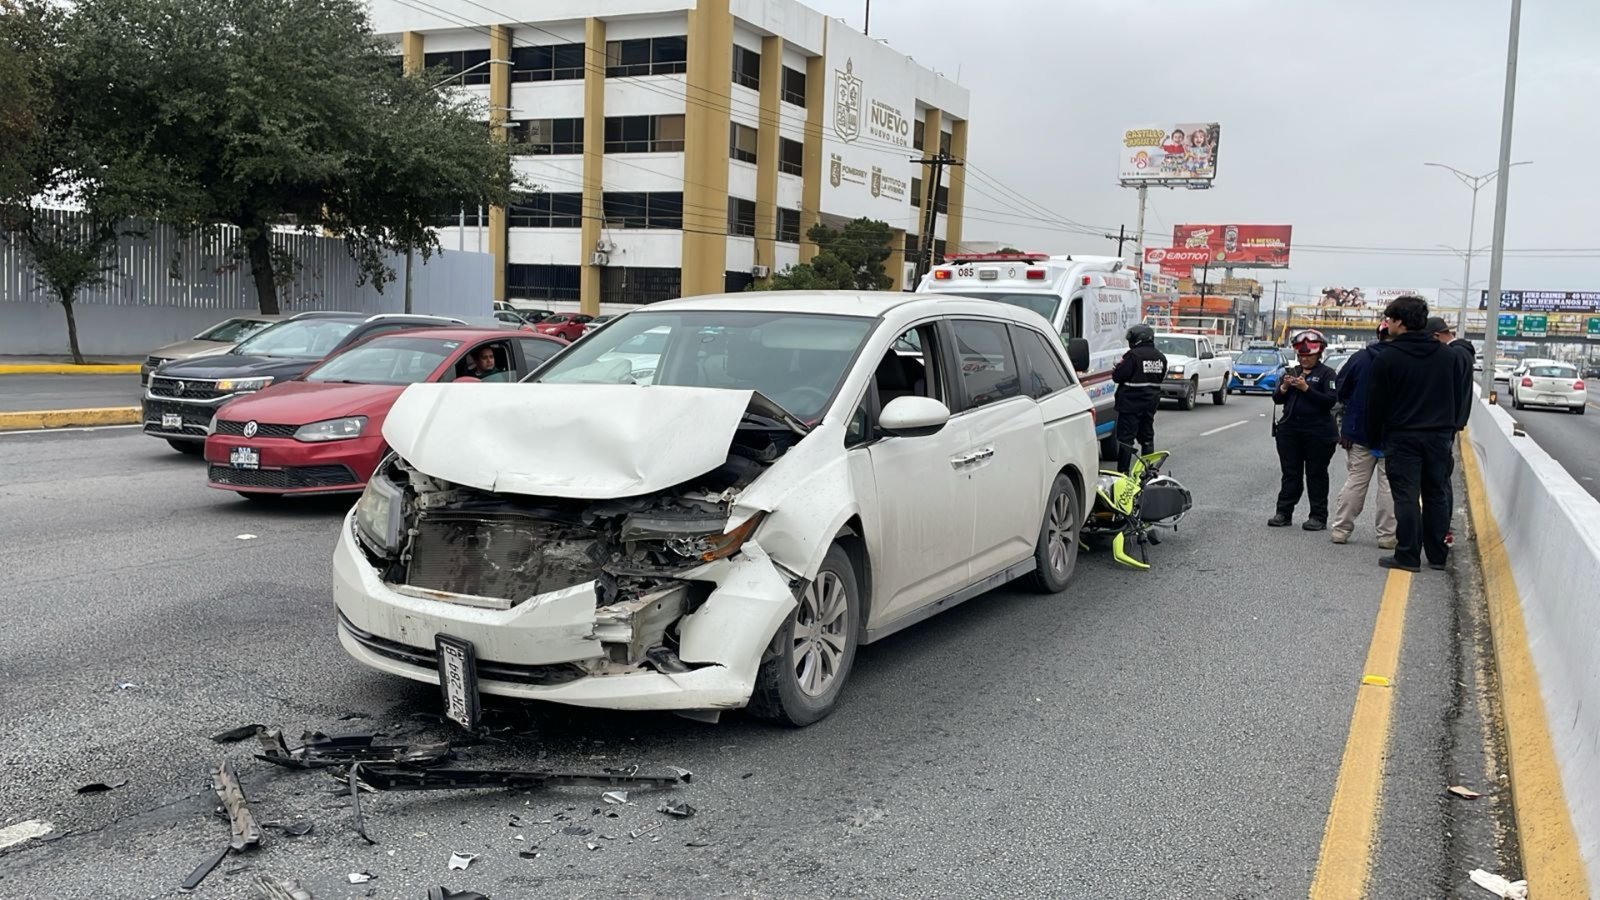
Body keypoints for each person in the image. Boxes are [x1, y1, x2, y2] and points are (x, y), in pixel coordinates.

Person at [1366, 296, 1472, 572]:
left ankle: (1408, 555)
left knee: (1406, 496)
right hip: (1439, 437)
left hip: (1402, 436)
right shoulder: (1449, 356)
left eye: (1389, 319)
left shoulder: (1387, 358)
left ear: (1400, 323)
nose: (1387, 323)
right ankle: (1437, 556)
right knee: (1436, 493)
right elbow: (1460, 396)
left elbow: (1375, 404)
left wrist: (1373, 437)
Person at [1329, 322, 1397, 548]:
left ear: (1378, 335)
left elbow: (1342, 389)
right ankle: (1387, 536)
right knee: (1389, 485)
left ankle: (1340, 530)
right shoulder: (1405, 360)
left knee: (1356, 481)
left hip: (1359, 432)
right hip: (1393, 434)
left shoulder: (1360, 358)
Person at [1268, 329, 1339, 530]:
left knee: (1316, 474)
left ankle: (1318, 516)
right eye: (1301, 356)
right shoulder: (1291, 372)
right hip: (1290, 429)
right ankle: (1283, 512)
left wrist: (1306, 389)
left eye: (1309, 356)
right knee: (1290, 473)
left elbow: (1330, 401)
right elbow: (1277, 399)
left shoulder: (1328, 374)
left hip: (1318, 431)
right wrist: (1284, 387)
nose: (1305, 359)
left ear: (1319, 354)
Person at [1111, 323, 1167, 473]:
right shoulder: (1161, 357)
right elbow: (1160, 377)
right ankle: (1148, 471)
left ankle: (1123, 472)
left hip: (1130, 404)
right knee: (1147, 437)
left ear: (1138, 339)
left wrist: (1117, 369)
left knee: (1126, 440)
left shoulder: (1133, 356)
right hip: (1150, 404)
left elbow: (1118, 376)